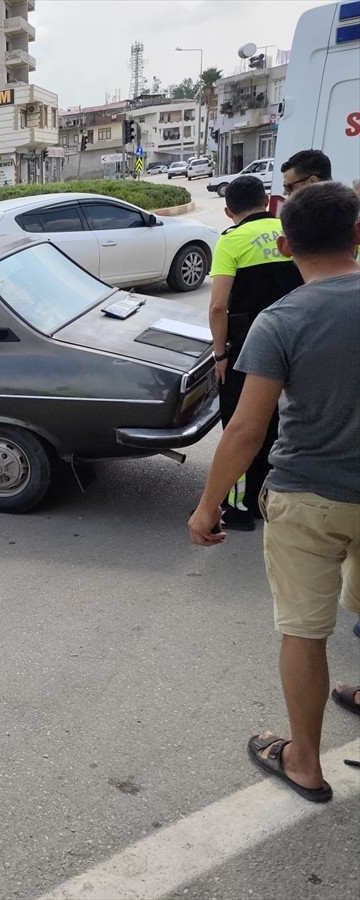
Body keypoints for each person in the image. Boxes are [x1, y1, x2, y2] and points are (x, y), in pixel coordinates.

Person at [188, 181, 360, 803]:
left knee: (305, 632)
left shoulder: (281, 320)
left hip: (308, 499)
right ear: (358, 235)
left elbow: (246, 430)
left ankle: (305, 763)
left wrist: (208, 505)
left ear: (286, 247)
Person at [207, 175, 304, 530]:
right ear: (266, 200)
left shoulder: (231, 240)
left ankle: (239, 508)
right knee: (281, 423)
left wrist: (220, 356)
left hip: (249, 349)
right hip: (298, 342)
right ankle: (271, 498)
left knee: (241, 424)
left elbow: (218, 306)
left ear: (228, 211)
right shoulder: (290, 232)